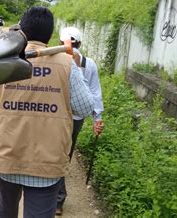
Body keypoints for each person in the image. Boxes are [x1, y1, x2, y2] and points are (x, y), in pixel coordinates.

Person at [0, 7, 95, 217]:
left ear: (22, 31)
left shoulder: (0, 61)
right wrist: (77, 68)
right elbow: (85, 107)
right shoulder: (67, 65)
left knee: (6, 212)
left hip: (7, 157)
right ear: (50, 36)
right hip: (47, 164)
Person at [56, 26, 104, 215]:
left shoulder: (56, 59)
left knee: (56, 152)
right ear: (80, 43)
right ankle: (58, 198)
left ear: (61, 43)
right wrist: (97, 118)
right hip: (77, 118)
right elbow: (95, 92)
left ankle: (57, 197)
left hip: (57, 115)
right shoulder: (89, 63)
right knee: (66, 154)